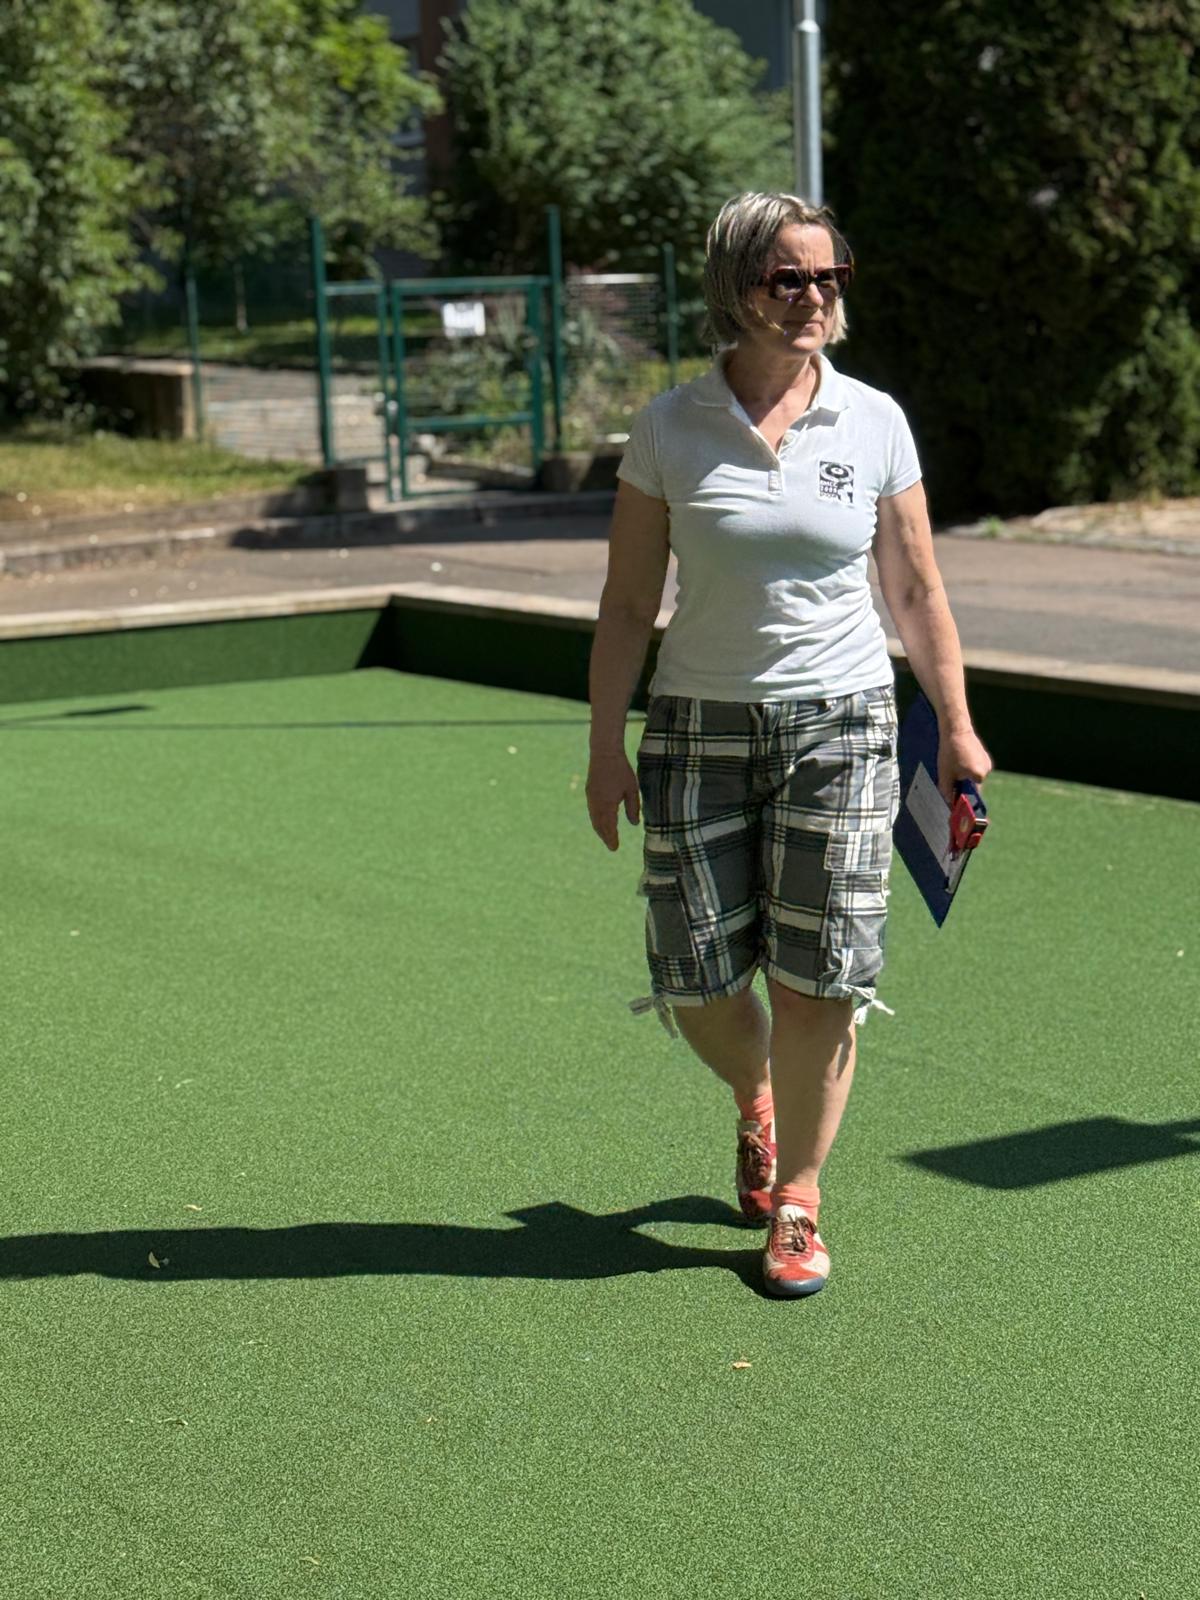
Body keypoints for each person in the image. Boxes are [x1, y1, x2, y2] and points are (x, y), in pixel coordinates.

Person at [585, 192, 992, 1298]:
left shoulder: (873, 420)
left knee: (823, 977)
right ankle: (755, 1093)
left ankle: (800, 1199)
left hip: (845, 726)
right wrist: (605, 744)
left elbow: (916, 589)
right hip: (696, 727)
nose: (816, 296)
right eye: (790, 278)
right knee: (698, 979)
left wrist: (957, 727)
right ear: (737, 288)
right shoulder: (669, 427)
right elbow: (626, 603)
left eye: (830, 276)